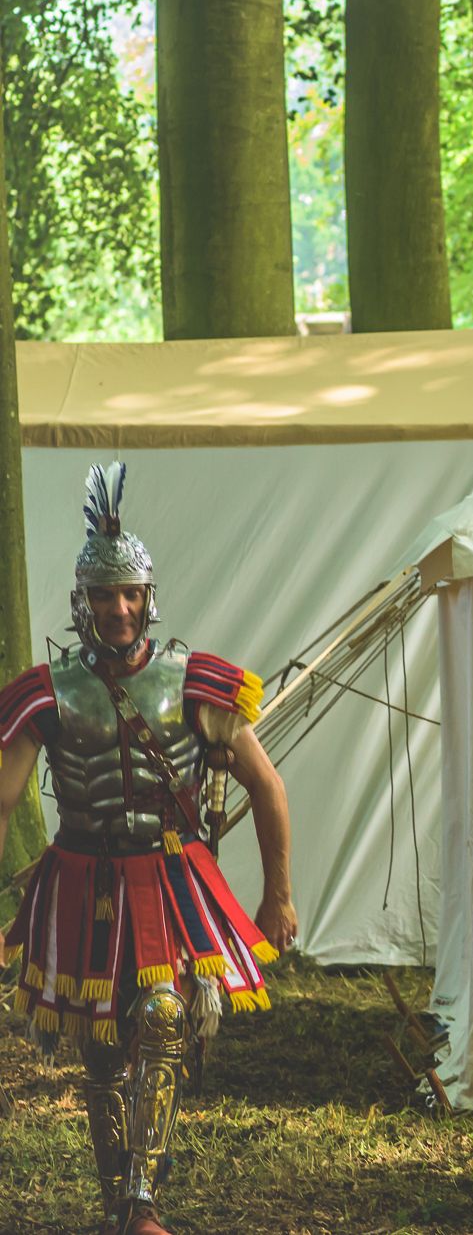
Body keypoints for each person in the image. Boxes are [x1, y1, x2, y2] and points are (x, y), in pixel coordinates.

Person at [0, 463, 296, 1235]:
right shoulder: (48, 690)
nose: (120, 608)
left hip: (165, 876)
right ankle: (115, 1204)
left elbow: (268, 786)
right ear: (84, 601)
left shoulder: (192, 683)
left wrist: (278, 893)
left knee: (163, 1015)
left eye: (130, 593)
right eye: (105, 595)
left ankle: (141, 1202)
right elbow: (2, 796)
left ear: (148, 595)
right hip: (80, 874)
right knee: (101, 1044)